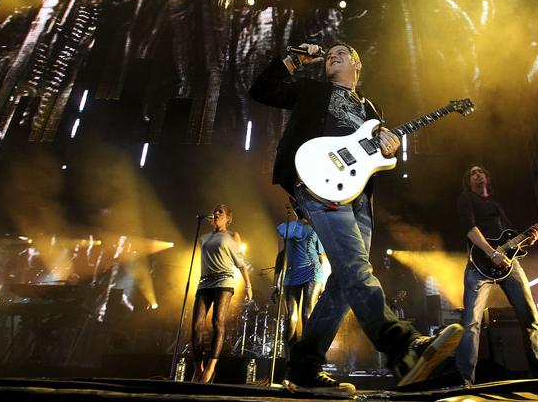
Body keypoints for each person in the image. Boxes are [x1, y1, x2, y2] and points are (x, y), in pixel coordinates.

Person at [250, 42, 463, 395]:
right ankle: (402, 347)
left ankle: (304, 367)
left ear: (357, 64)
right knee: (355, 268)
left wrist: (390, 147)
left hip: (359, 194)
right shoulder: (313, 91)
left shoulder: (371, 108)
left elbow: (378, 153)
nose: (333, 55)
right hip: (317, 181)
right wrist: (295, 59)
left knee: (343, 282)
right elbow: (262, 90)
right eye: (329, 53)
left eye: (342, 52)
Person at [455, 164, 538, 386]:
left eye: (480, 171)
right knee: (471, 323)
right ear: (468, 181)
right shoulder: (466, 198)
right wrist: (491, 253)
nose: (477, 174)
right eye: (472, 173)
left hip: (509, 263)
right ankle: (465, 381)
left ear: (487, 177)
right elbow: (469, 228)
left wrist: (529, 240)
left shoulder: (497, 204)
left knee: (530, 318)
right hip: (479, 264)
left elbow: (511, 239)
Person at [191, 204, 253, 383]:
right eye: (215, 211)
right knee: (196, 325)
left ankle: (211, 367)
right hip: (204, 282)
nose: (216, 213)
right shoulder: (203, 238)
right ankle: (198, 368)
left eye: (221, 212)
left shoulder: (233, 236)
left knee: (217, 321)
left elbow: (241, 261)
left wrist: (248, 285)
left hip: (224, 281)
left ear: (228, 218)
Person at [271, 205, 326, 354]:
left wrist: (323, 284)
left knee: (307, 314)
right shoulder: (285, 227)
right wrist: (275, 283)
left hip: (312, 272)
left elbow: (321, 257)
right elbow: (280, 255)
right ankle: (290, 359)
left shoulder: (316, 228)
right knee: (290, 318)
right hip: (291, 274)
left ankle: (307, 357)